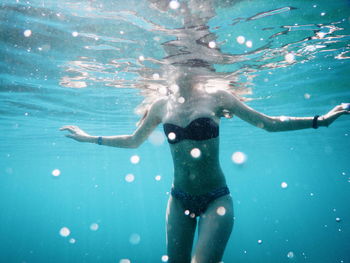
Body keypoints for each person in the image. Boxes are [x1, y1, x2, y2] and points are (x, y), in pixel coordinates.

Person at [60, 69, 350, 263]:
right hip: (178, 199)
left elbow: (269, 124)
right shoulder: (161, 106)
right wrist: (89, 139)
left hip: (216, 199)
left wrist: (320, 121)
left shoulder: (219, 98)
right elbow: (134, 140)